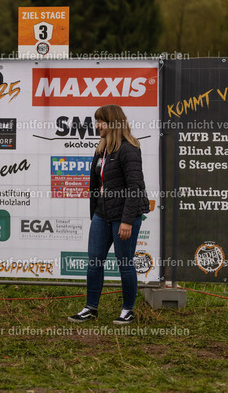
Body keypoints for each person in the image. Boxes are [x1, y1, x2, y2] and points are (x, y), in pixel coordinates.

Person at [68, 104, 150, 325]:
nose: (96, 126)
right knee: (94, 261)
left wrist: (126, 221)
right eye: (96, 122)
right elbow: (98, 183)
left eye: (100, 122)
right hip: (102, 215)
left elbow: (135, 188)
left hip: (124, 216)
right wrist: (97, 209)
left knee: (125, 263)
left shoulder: (129, 149)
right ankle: (90, 308)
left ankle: (127, 310)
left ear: (112, 123)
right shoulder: (102, 149)